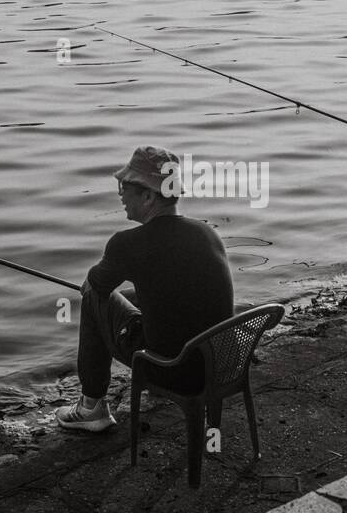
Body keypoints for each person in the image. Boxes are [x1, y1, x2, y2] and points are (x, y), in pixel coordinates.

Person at [56, 146, 235, 432]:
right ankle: (144, 392)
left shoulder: (127, 244)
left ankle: (92, 408)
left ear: (148, 196)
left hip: (172, 372)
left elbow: (96, 285)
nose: (120, 195)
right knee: (136, 296)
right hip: (219, 368)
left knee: (93, 295)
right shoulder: (207, 233)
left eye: (124, 186)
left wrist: (92, 284)